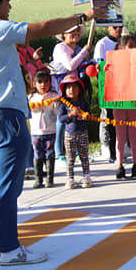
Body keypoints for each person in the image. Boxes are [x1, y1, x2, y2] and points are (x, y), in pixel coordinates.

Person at [0, 0, 93, 265]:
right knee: (7, 186)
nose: (10, 7)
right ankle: (9, 248)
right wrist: (84, 17)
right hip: (6, 114)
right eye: (7, 2)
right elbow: (41, 29)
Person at [51, 24, 93, 165]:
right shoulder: (61, 48)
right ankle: (59, 153)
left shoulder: (78, 49)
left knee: (75, 117)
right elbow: (70, 65)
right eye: (71, 31)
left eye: (77, 31)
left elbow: (82, 65)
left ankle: (74, 152)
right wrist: (84, 53)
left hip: (74, 86)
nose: (74, 34)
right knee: (62, 118)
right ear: (64, 34)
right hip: (61, 85)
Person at [110, 34, 136, 180]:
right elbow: (106, 77)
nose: (133, 49)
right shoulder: (113, 63)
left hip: (134, 101)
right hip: (119, 102)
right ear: (121, 48)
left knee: (134, 135)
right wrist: (102, 69)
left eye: (135, 46)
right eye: (130, 46)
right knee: (120, 135)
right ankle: (120, 164)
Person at [93, 24, 123, 162]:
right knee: (109, 118)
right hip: (109, 85)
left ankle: (122, 146)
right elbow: (99, 64)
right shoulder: (102, 44)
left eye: (120, 26)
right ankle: (109, 149)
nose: (118, 29)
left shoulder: (123, 41)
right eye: (115, 27)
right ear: (108, 28)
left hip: (122, 85)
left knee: (121, 118)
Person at [57, 73, 92, 189]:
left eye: (74, 87)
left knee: (84, 156)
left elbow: (90, 115)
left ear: (79, 89)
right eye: (68, 88)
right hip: (69, 134)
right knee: (70, 157)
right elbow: (61, 119)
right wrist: (70, 115)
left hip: (82, 132)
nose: (71, 90)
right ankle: (70, 179)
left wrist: (86, 116)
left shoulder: (83, 103)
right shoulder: (63, 105)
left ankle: (86, 177)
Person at [29, 69, 60, 189]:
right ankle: (38, 178)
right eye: (40, 82)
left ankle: (50, 178)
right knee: (38, 155)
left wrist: (56, 103)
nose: (43, 84)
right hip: (36, 132)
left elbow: (57, 112)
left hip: (50, 130)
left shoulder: (54, 96)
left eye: (46, 81)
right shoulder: (31, 97)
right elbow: (31, 110)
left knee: (50, 154)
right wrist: (40, 102)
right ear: (34, 84)